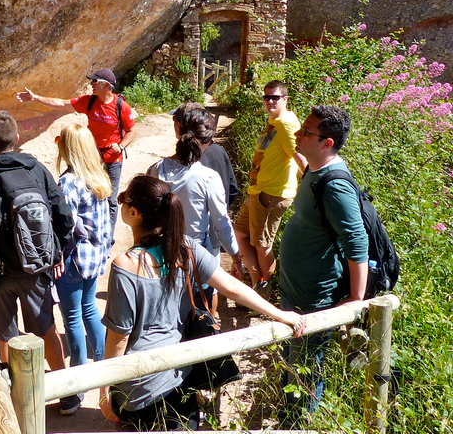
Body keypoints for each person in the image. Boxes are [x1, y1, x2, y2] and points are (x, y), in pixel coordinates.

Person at [99, 175, 306, 429]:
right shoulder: (184, 247)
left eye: (122, 199)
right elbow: (231, 287)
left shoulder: (125, 266)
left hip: (138, 388)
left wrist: (103, 387)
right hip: (181, 373)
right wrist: (280, 313)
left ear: (134, 212)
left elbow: (119, 337)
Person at [0, 110, 82, 415]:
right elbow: (64, 216)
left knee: (6, 334)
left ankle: (15, 394)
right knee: (48, 329)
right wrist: (58, 253)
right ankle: (66, 394)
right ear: (18, 139)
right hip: (36, 268)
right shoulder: (36, 169)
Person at [277, 105, 368, 425]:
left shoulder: (336, 184)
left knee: (306, 374)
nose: (299, 134)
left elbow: (356, 240)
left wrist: (356, 300)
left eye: (307, 132)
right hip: (295, 291)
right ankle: (290, 416)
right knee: (294, 365)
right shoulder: (314, 169)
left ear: (327, 143)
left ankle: (301, 424)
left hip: (314, 297)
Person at [148, 103, 243, 317]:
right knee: (201, 311)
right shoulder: (208, 178)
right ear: (207, 141)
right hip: (196, 256)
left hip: (162, 253)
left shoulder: (156, 169)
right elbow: (222, 225)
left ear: (178, 130)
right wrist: (237, 259)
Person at [15, 69, 137, 235]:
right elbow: (61, 104)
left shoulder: (120, 106)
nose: (91, 84)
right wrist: (35, 97)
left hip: (112, 158)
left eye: (95, 81)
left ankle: (107, 237)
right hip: (89, 155)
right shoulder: (89, 102)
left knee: (109, 198)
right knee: (74, 186)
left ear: (106, 85)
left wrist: (121, 146)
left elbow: (131, 130)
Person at [233, 80, 307, 298]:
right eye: (266, 97)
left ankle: (266, 296)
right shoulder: (276, 121)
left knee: (262, 246)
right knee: (239, 234)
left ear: (285, 99)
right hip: (257, 192)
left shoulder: (286, 124)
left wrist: (317, 186)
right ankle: (257, 284)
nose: (270, 101)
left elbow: (301, 158)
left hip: (272, 194)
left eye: (275, 97)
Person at [55, 124, 113, 368]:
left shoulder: (69, 182)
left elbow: (65, 226)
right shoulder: (99, 177)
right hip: (94, 256)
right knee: (89, 309)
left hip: (73, 259)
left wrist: (57, 255)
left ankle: (77, 379)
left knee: (72, 318)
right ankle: (103, 365)